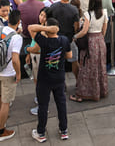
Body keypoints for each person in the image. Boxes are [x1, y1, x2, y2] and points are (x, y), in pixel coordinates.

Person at [29, 8, 74, 142]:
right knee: (61, 104)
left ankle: (41, 132)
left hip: (44, 79)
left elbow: (31, 27)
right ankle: (63, 130)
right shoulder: (64, 40)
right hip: (59, 77)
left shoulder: (44, 41)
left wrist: (46, 30)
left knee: (43, 106)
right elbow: (70, 56)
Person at [0, 9, 22, 140]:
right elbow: (15, 59)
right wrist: (18, 74)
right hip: (8, 74)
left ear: (8, 19)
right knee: (6, 102)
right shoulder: (17, 38)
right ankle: (1, 131)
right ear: (18, 22)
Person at [73, 0, 110, 101]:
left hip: (90, 42)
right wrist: (100, 38)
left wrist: (75, 36)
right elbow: (104, 29)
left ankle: (85, 93)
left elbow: (84, 31)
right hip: (100, 40)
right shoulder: (104, 12)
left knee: (87, 67)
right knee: (100, 66)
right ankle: (101, 91)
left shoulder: (87, 14)